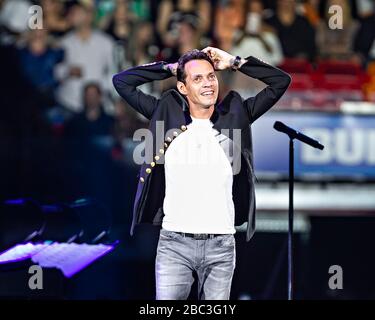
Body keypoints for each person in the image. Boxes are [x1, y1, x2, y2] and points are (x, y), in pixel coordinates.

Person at [112, 47, 291, 300]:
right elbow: (122, 82)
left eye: (211, 76)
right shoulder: (166, 113)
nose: (208, 84)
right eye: (198, 79)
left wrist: (234, 61)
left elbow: (280, 82)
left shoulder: (235, 114)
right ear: (183, 87)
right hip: (174, 245)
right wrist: (169, 68)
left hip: (221, 246)